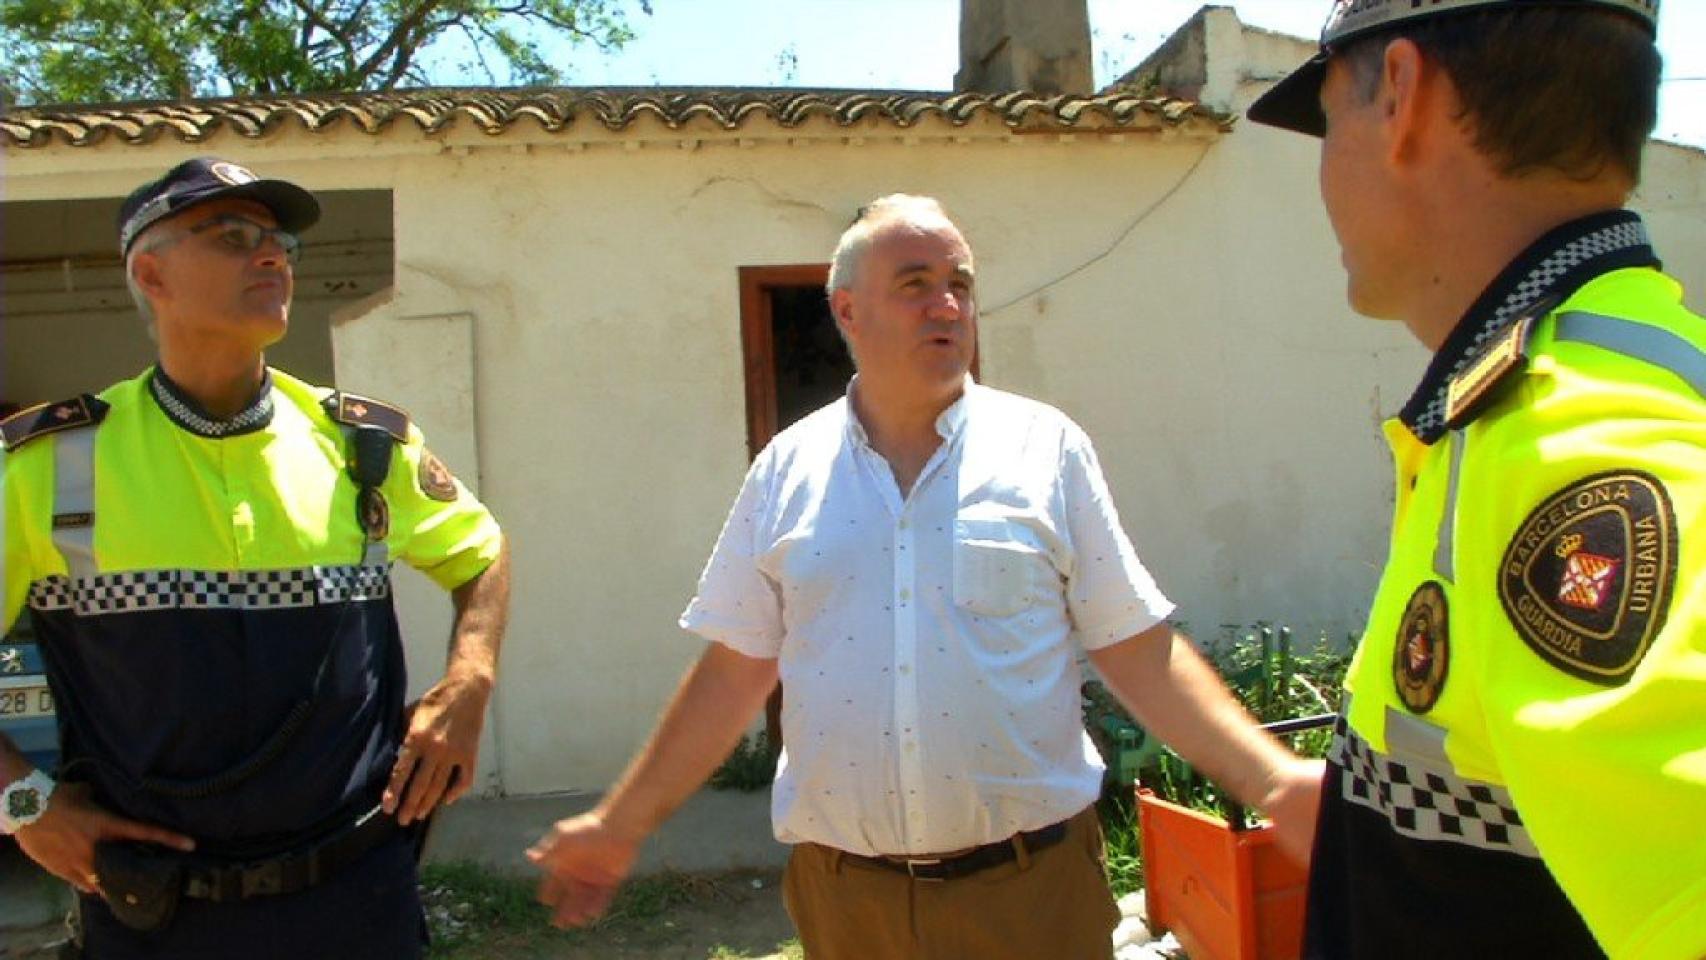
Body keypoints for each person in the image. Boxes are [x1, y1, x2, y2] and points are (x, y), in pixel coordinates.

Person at [528, 194, 1321, 959]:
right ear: (846, 311)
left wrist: (1273, 781)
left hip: (1032, 898)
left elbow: (1134, 645)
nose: (947, 306)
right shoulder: (787, 471)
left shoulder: (1045, 451)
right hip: (850, 907)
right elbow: (735, 669)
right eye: (915, 286)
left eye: (961, 286)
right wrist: (620, 823)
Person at [1246, 1, 1705, 957]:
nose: (1323, 176)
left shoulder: (1577, 446)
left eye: (1329, 121)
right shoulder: (1592, 371)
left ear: (1402, 95)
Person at [0, 157, 510, 959]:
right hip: (152, 916)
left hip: (357, 903)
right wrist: (22, 805)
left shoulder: (361, 446)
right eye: (233, 236)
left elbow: (479, 552)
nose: (271, 255)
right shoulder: (50, 465)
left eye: (279, 242)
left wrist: (472, 676)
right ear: (150, 272)